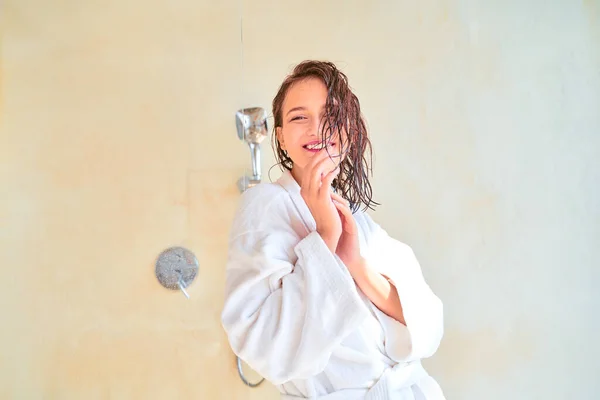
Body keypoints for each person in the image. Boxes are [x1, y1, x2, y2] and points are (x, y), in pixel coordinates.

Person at [221, 60, 445, 400]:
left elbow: (426, 324)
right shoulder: (264, 205)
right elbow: (264, 345)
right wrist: (324, 236)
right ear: (280, 136)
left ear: (349, 131)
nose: (316, 129)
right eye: (299, 117)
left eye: (330, 116)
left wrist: (354, 262)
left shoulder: (358, 218)